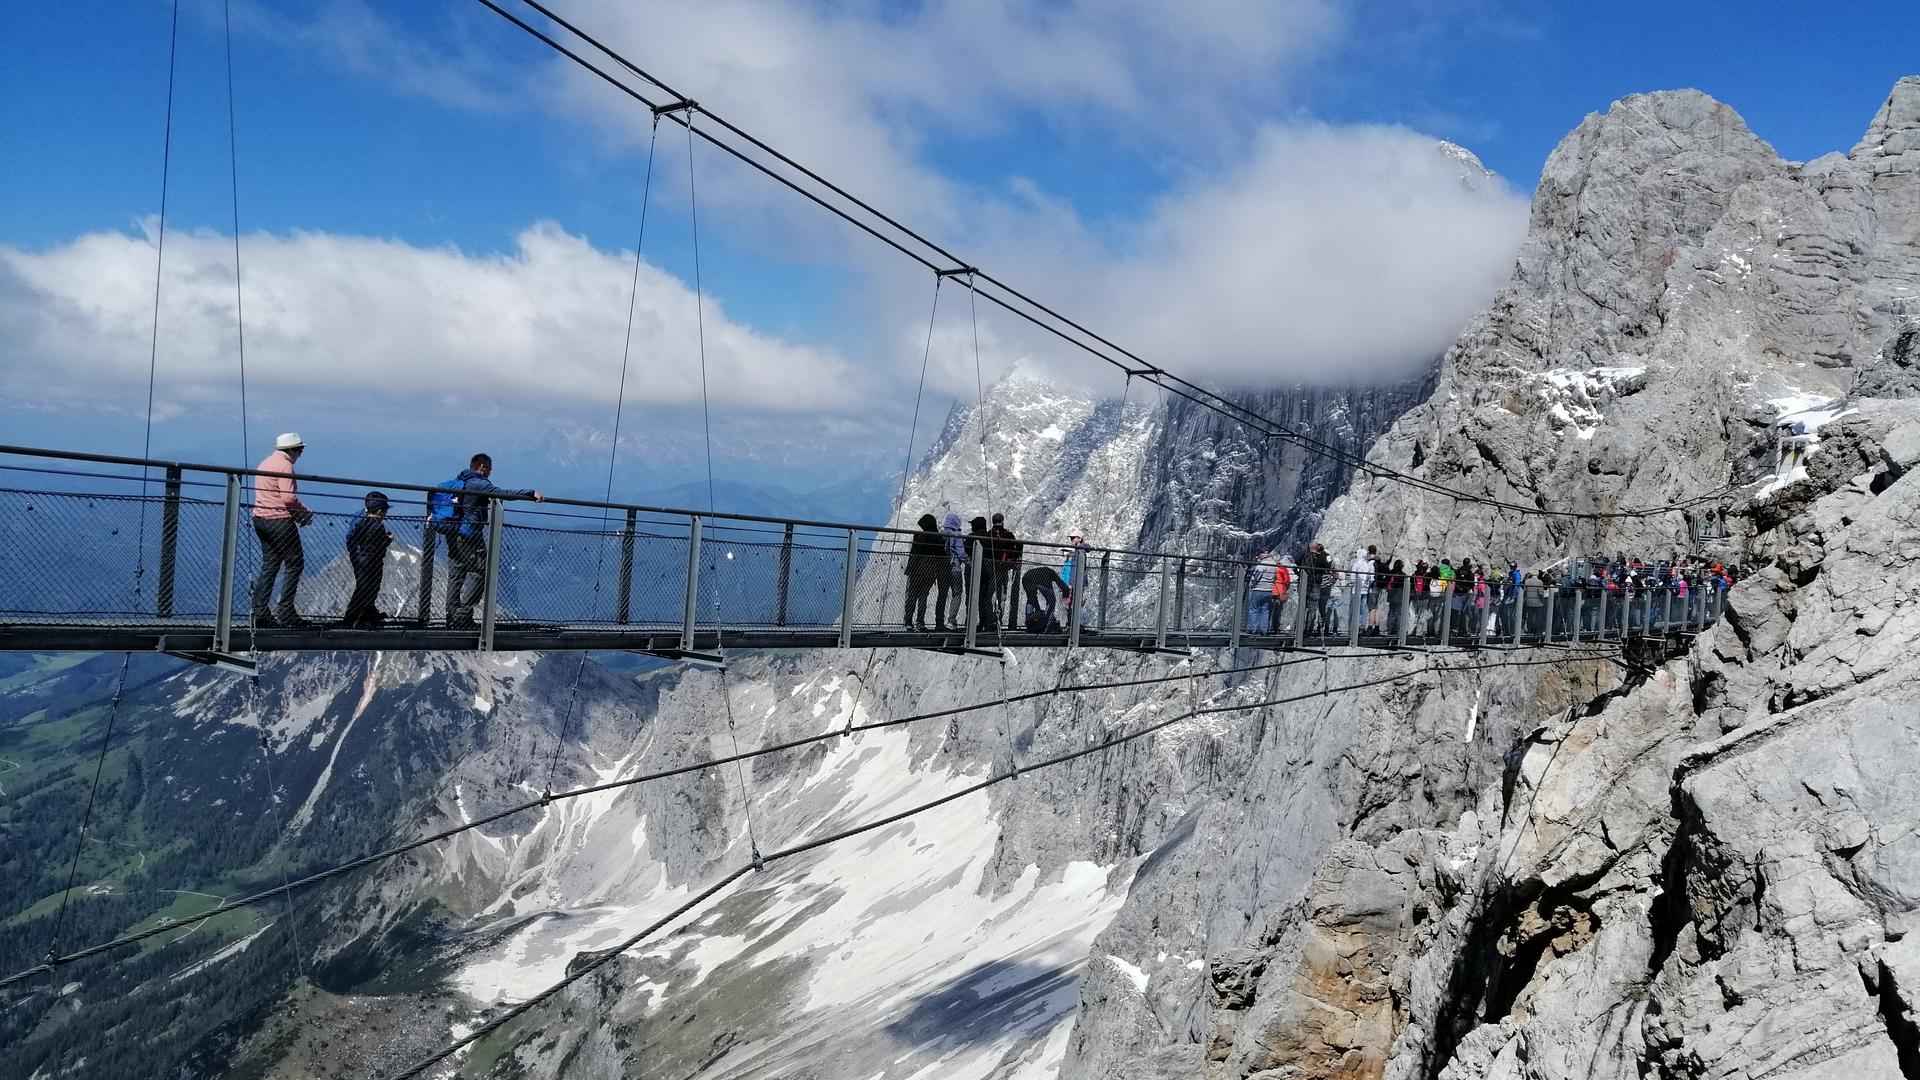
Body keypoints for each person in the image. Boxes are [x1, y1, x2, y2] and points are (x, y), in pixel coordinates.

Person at [443, 453, 542, 630]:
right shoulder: (479, 483)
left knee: (456, 575)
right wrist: (529, 493)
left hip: (452, 534)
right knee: (480, 572)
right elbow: (502, 493)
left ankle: (451, 616)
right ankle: (462, 616)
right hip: (470, 536)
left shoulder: (459, 481)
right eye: (488, 468)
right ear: (482, 467)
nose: (490, 472)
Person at [250, 433, 314, 628]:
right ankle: (285, 611)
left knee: (270, 564)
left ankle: (259, 612)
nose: (300, 454)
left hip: (260, 518)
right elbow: (288, 498)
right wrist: (303, 513)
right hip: (279, 521)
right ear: (291, 450)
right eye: (299, 450)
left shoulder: (266, 462)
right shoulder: (285, 465)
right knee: (295, 563)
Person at [342, 491, 393, 629]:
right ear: (380, 511)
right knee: (368, 588)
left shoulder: (361, 521)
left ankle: (362, 615)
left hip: (359, 559)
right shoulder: (377, 526)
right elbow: (377, 545)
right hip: (372, 562)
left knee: (363, 587)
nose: (386, 514)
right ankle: (358, 618)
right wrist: (388, 540)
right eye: (385, 511)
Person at [904, 513, 943, 630]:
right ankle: (920, 622)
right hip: (931, 572)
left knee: (912, 596)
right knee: (923, 597)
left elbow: (915, 553)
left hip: (917, 571)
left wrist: (909, 569)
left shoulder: (922, 536)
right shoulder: (939, 538)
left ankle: (908, 622)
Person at [989, 513, 1023, 632]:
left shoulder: (989, 535)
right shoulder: (1008, 535)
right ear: (1002, 521)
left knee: (991, 594)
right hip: (1004, 568)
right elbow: (1017, 548)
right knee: (1002, 595)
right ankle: (999, 618)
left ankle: (990, 618)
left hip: (991, 568)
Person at [935, 512, 965, 631]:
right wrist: (970, 562)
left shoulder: (941, 535)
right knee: (957, 594)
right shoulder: (957, 535)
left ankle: (939, 622)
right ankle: (951, 621)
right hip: (955, 568)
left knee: (942, 594)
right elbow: (961, 553)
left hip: (942, 568)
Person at [1021, 564, 1070, 632]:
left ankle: (1029, 622)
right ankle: (1046, 624)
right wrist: (1066, 597)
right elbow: (1064, 587)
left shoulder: (1046, 571)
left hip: (1026, 577)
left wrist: (1038, 611)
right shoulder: (1052, 574)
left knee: (1031, 599)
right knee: (1052, 600)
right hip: (1040, 578)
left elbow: (1034, 599)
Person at [1301, 542, 1333, 638]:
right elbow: (1327, 569)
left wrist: (1300, 575)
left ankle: (1298, 628)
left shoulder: (1303, 555)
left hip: (1304, 583)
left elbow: (1297, 565)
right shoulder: (1322, 558)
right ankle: (1308, 630)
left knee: (1302, 606)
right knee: (1313, 608)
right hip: (1316, 584)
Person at [968, 516, 994, 629]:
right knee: (985, 597)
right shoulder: (990, 537)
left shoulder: (970, 538)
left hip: (973, 569)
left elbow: (966, 550)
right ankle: (986, 621)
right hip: (988, 570)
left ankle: (970, 622)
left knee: (971, 596)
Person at [1248, 551, 1279, 634]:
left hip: (1259, 589)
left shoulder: (1261, 565)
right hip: (1269, 590)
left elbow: (1256, 576)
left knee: (1254, 609)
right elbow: (1275, 577)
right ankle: (1264, 630)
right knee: (1265, 609)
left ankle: (1253, 629)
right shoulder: (1274, 565)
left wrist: (1251, 584)